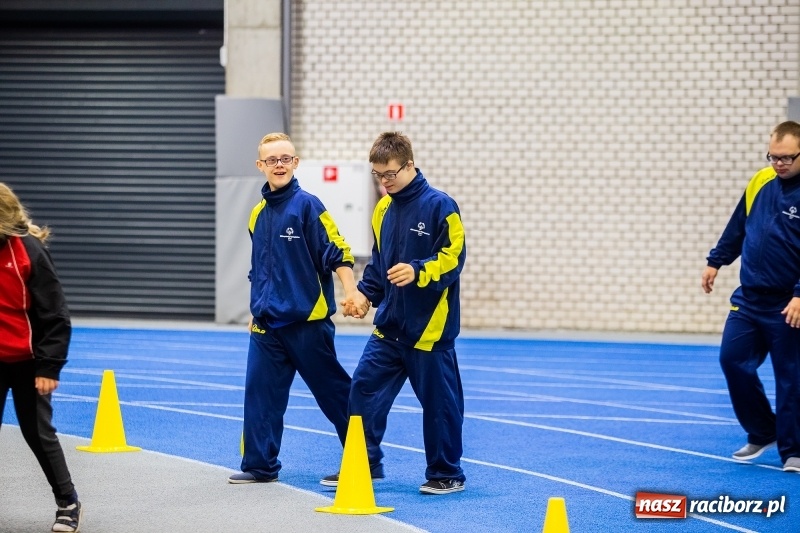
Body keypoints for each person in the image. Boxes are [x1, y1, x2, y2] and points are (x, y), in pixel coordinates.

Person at [321, 131, 467, 494]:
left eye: (390, 174)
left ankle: (446, 473)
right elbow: (379, 264)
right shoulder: (383, 210)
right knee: (362, 392)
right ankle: (364, 464)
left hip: (429, 330)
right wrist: (365, 296)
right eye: (378, 175)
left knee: (440, 406)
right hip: (390, 327)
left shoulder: (441, 206)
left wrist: (419, 270)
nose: (384, 182)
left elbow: (453, 259)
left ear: (410, 165)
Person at [228, 132, 364, 483]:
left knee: (335, 394)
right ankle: (260, 466)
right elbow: (260, 269)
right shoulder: (257, 214)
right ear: (260, 166)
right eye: (272, 160)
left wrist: (351, 292)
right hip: (266, 326)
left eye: (285, 159)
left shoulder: (308, 205)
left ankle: (366, 460)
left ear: (295, 163)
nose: (279, 165)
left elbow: (338, 251)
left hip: (307, 325)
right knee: (260, 396)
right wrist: (257, 308)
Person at [702, 120, 800, 474]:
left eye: (787, 158)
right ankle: (763, 430)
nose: (779, 164)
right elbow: (738, 226)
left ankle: (794, 450)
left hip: (788, 303)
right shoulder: (760, 181)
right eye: (774, 157)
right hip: (749, 299)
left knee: (791, 378)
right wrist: (716, 261)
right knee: (732, 360)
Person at [0, 183, 83, 532]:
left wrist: (49, 365)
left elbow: (56, 314)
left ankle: (68, 502)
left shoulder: (27, 251)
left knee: (37, 433)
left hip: (27, 360)